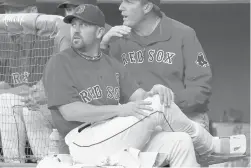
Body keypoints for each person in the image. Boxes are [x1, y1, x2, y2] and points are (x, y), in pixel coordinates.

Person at [44, 4, 247, 167]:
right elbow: (70, 112)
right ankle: (212, 145)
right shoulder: (60, 61)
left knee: (181, 142)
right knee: (156, 106)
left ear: (99, 32)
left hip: (115, 136)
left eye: (83, 25)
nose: (76, 30)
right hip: (84, 140)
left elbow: (140, 98)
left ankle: (205, 147)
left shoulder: (112, 65)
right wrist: (122, 110)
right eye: (73, 25)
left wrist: (154, 91)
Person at [101, 0, 212, 131]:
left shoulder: (183, 34)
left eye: (129, 2)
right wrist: (102, 47)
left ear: (147, 7)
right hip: (136, 121)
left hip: (182, 117)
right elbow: (100, 90)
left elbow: (201, 90)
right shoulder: (116, 39)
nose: (120, 7)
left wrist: (164, 101)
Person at [0, 0, 53, 163]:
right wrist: (11, 90)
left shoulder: (46, 40)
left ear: (33, 11)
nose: (9, 17)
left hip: (50, 108)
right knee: (6, 100)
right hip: (28, 105)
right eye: (6, 11)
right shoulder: (13, 43)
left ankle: (47, 162)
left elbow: (34, 91)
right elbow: (6, 86)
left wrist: (12, 91)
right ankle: (13, 163)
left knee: (28, 106)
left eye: (15, 11)